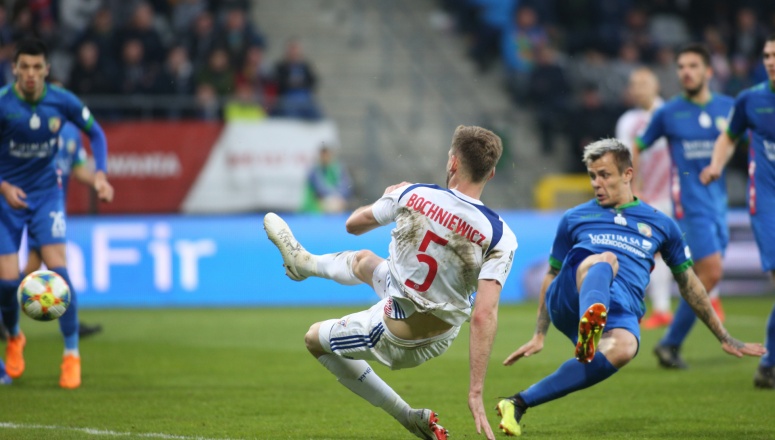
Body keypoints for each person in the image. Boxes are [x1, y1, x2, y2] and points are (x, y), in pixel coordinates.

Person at [495, 138, 765, 437]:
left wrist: (724, 336)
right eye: (592, 176)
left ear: (627, 174)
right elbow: (551, 274)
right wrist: (539, 333)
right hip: (571, 297)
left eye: (605, 175)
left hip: (621, 307)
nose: (597, 183)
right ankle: (590, 325)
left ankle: (517, 402)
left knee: (625, 348)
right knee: (604, 260)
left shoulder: (662, 224)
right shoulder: (574, 218)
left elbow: (690, 284)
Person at [264, 125, 517, 440]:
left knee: (314, 339)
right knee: (363, 261)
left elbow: (352, 225)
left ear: (452, 163)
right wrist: (476, 392)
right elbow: (483, 314)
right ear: (490, 174)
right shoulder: (500, 235)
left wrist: (390, 196)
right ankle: (305, 263)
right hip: (443, 330)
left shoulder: (414, 194)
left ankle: (408, 417)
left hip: (396, 333)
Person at [0, 39, 113, 389]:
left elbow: (96, 132)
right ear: (15, 69)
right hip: (6, 198)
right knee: (6, 284)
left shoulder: (61, 102)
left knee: (59, 274)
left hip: (47, 197)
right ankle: (15, 337)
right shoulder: (3, 103)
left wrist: (101, 176)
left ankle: (71, 354)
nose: (31, 74)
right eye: (25, 67)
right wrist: (3, 187)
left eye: (38, 67)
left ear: (46, 70)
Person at [635, 43, 734, 369]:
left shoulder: (728, 107)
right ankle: (670, 342)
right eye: (681, 67)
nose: (685, 72)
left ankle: (671, 342)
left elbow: (747, 142)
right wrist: (634, 187)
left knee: (707, 278)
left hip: (719, 205)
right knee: (711, 272)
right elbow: (637, 146)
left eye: (692, 66)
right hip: (690, 207)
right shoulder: (669, 112)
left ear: (708, 71)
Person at [701, 34, 775, 389]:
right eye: (766, 55)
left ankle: (768, 365)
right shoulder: (751, 99)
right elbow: (729, 136)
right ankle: (770, 364)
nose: (771, 61)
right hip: (766, 202)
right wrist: (716, 164)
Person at [21, 117, 102, 339]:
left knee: (30, 269)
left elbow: (79, 170)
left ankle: (5, 318)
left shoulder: (71, 132)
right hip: (37, 209)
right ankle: (72, 326)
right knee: (59, 269)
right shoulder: (33, 127)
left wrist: (99, 182)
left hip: (55, 208)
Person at [615, 67, 674, 329]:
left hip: (672, 196)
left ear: (656, 85)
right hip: (642, 196)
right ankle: (658, 308)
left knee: (666, 252)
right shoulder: (627, 121)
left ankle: (664, 308)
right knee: (650, 252)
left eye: (643, 83)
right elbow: (623, 159)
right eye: (633, 83)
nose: (637, 88)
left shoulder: (670, 114)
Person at [301, 146, 353, 214]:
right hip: (319, 200)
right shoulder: (314, 171)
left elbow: (346, 186)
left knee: (336, 205)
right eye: (323, 156)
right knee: (332, 206)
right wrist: (332, 197)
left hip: (339, 199)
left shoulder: (338, 169)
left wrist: (337, 196)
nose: (325, 158)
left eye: (327, 156)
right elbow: (320, 189)